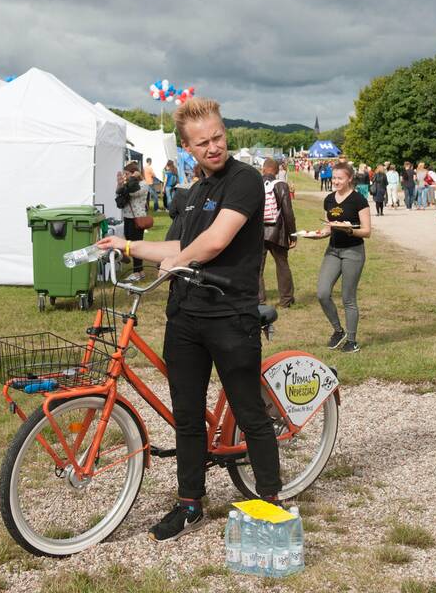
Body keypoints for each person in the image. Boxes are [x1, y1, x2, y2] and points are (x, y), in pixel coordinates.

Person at [96, 98, 281, 542]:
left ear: (224, 134)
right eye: (203, 143)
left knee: (249, 410)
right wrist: (125, 247)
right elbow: (174, 246)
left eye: (217, 137)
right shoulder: (193, 192)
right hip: (185, 315)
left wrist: (177, 258)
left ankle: (269, 501)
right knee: (186, 416)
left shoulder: (246, 180)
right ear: (187, 148)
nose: (213, 147)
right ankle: (189, 503)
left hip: (229, 312)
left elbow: (215, 242)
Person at [315, 162, 371, 352]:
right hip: (333, 250)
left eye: (340, 178)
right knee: (322, 293)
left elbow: (367, 231)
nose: (335, 181)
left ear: (349, 179)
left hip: (353, 252)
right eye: (334, 177)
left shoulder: (359, 200)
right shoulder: (329, 199)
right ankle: (338, 331)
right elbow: (328, 226)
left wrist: (349, 230)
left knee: (348, 297)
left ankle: (352, 340)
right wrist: (318, 234)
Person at [259, 158, 297, 308]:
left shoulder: (254, 184)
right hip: (278, 232)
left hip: (258, 233)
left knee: (258, 267)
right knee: (282, 265)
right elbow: (288, 212)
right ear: (277, 171)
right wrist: (292, 234)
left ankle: (259, 300)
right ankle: (286, 299)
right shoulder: (281, 185)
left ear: (263, 169)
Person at [117, 161, 149, 280]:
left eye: (127, 173)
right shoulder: (130, 183)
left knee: (136, 245)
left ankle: (137, 272)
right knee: (130, 244)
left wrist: (133, 178)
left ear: (133, 173)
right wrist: (119, 184)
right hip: (128, 217)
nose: (125, 176)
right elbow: (119, 193)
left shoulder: (143, 184)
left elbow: (132, 192)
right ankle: (139, 271)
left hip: (137, 218)